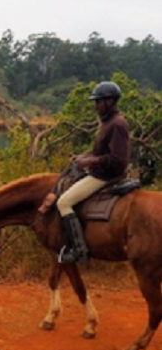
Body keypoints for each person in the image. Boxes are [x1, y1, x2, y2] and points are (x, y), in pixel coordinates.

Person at [40, 81, 130, 263]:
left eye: (98, 102)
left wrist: (89, 161)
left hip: (106, 177)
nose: (96, 106)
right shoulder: (108, 123)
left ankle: (79, 250)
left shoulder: (117, 124)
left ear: (110, 101)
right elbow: (100, 153)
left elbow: (118, 159)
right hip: (99, 172)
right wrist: (83, 157)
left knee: (64, 202)